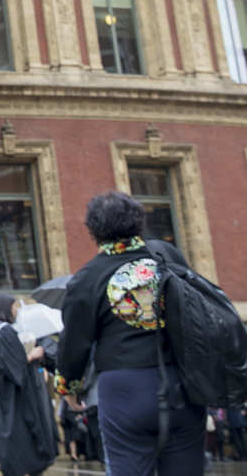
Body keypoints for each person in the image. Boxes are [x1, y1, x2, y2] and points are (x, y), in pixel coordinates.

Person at [56, 190, 205, 476]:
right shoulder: (167, 255)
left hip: (125, 391)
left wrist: (69, 387)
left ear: (94, 231)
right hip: (181, 384)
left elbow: (74, 344)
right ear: (138, 222)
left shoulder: (87, 278)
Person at [0, 294, 56, 476]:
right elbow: (15, 368)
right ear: (5, 308)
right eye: (14, 306)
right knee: (22, 434)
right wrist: (32, 356)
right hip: (13, 396)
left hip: (3, 394)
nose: (17, 310)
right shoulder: (5, 332)